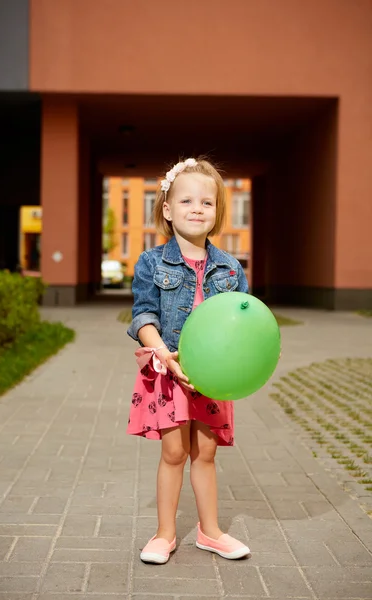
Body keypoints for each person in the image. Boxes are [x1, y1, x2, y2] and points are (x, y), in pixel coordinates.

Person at [127, 157, 250, 564]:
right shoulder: (151, 263)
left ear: (217, 213)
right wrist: (162, 352)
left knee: (207, 453)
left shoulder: (231, 267)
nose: (197, 209)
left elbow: (242, 321)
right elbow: (143, 315)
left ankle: (210, 532)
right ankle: (164, 534)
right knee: (174, 453)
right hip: (170, 370)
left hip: (212, 376)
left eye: (207, 203)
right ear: (167, 209)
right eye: (186, 201)